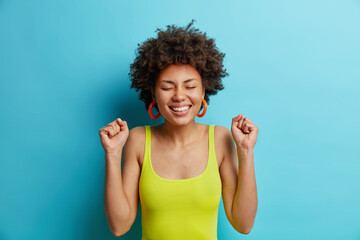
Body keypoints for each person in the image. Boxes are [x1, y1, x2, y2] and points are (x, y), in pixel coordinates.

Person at [99, 19, 259, 239]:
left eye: (190, 86)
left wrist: (246, 151)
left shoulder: (220, 138)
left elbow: (244, 224)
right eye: (167, 87)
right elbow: (119, 226)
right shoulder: (138, 139)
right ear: (153, 94)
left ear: (204, 90)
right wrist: (112, 153)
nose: (179, 96)